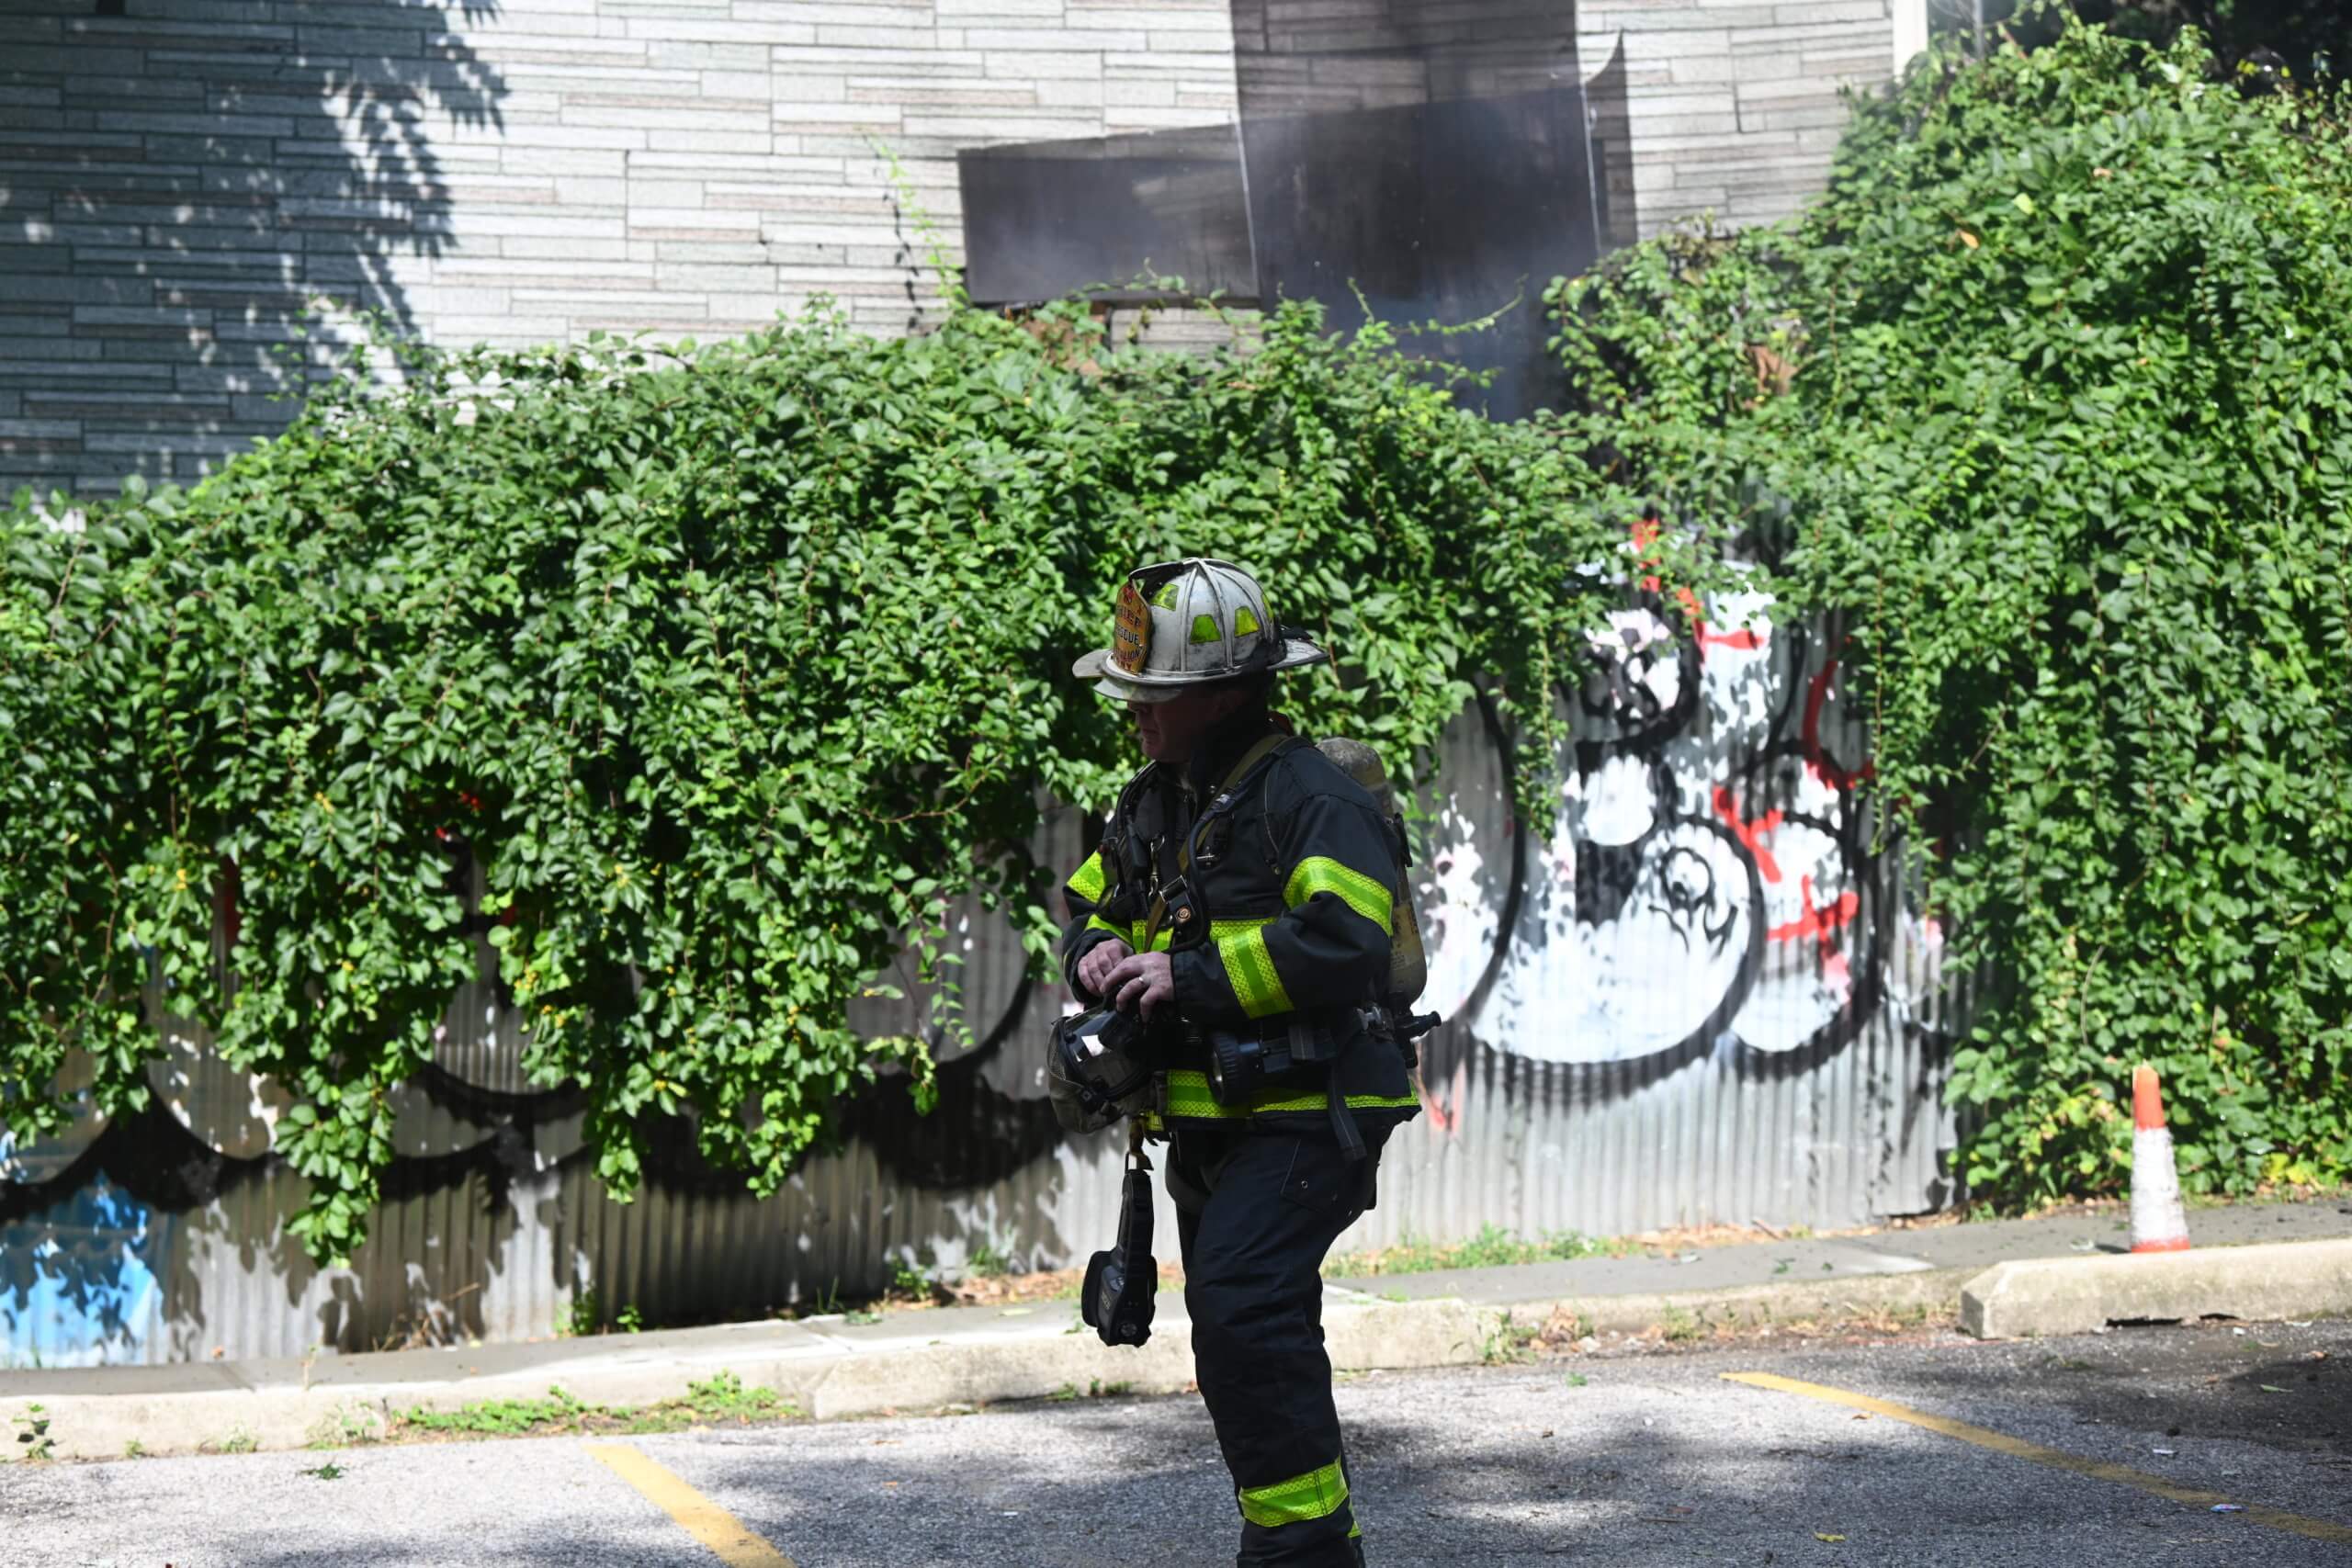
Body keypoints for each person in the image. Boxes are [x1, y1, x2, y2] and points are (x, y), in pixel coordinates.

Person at [1058, 557, 1420, 1568]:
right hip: (1211, 1122)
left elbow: (1347, 941)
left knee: (1243, 1314)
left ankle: (1300, 1549)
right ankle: (1310, 1541)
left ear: (1222, 694)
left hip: (1309, 1114)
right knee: (1246, 1325)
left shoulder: (1308, 797)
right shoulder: (1157, 800)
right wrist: (1093, 951)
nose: (1135, 711)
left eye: (1155, 694)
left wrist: (1189, 976)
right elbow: (1091, 903)